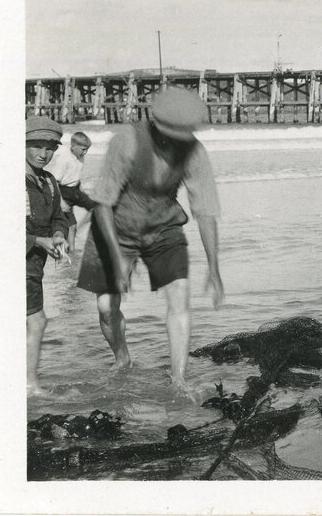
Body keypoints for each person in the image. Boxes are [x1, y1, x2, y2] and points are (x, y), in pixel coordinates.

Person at [76, 87, 225, 392]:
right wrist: (118, 260)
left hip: (164, 229)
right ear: (155, 122)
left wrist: (214, 268)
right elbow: (103, 202)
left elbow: (206, 210)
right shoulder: (127, 140)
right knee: (106, 307)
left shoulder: (194, 151)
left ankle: (179, 379)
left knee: (180, 300)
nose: (174, 142)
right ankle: (122, 358)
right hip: (116, 228)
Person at [25, 116, 71, 394]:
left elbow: (58, 217)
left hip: (33, 266)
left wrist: (57, 235)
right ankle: (30, 384)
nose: (44, 154)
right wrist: (37, 240)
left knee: (33, 321)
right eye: (37, 146)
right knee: (36, 320)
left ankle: (27, 383)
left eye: (50, 148)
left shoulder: (49, 181)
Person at [46, 131, 96, 251]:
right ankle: (71, 250)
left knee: (96, 208)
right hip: (63, 192)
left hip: (75, 189)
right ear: (73, 146)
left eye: (87, 149)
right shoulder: (64, 159)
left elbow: (75, 176)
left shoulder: (81, 157)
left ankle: (80, 232)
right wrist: (61, 202)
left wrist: (82, 191)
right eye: (83, 149)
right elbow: (54, 182)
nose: (85, 152)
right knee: (71, 224)